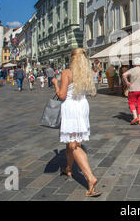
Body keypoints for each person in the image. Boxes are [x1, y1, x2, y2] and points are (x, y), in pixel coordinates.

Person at [52, 48, 100, 197]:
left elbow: (61, 95)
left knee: (73, 144)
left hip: (71, 108)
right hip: (82, 106)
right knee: (71, 142)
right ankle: (68, 168)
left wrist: (55, 83)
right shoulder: (87, 73)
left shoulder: (67, 72)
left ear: (72, 58)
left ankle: (90, 178)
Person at [122, 57, 140, 125]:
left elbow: (124, 75)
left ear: (134, 63)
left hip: (133, 89)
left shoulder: (132, 70)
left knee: (131, 103)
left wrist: (127, 82)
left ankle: (135, 116)